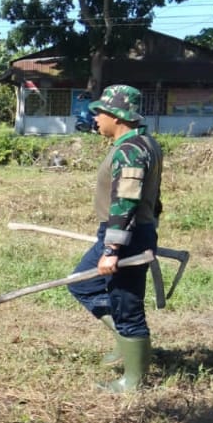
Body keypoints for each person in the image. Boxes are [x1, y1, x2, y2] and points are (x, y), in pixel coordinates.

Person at [67, 84, 163, 392]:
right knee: (82, 282)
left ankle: (132, 382)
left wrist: (112, 248)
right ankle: (124, 342)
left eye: (101, 113)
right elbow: (155, 199)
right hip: (130, 232)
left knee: (127, 304)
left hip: (126, 235)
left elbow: (127, 201)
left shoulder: (130, 150)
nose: (95, 119)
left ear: (118, 116)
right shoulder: (145, 143)